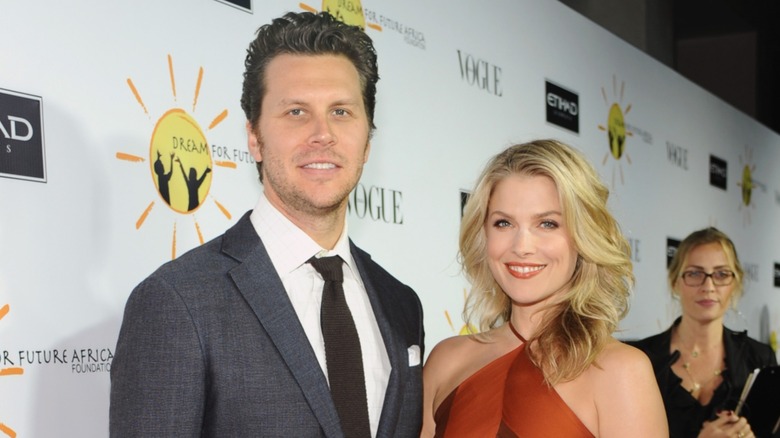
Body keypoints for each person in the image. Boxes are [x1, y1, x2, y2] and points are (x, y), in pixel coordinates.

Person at [110, 11, 424, 437]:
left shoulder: (400, 303)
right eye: (296, 111)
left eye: (341, 111)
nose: (322, 133)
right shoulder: (177, 302)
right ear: (254, 138)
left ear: (368, 141)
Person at [420, 139, 667, 437]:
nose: (522, 247)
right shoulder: (446, 361)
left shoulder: (621, 371)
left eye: (547, 224)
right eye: (503, 223)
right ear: (482, 233)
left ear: (582, 235)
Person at [630, 227, 777, 438]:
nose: (708, 286)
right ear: (675, 282)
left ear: (735, 283)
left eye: (721, 274)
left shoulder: (760, 360)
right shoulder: (641, 360)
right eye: (695, 273)